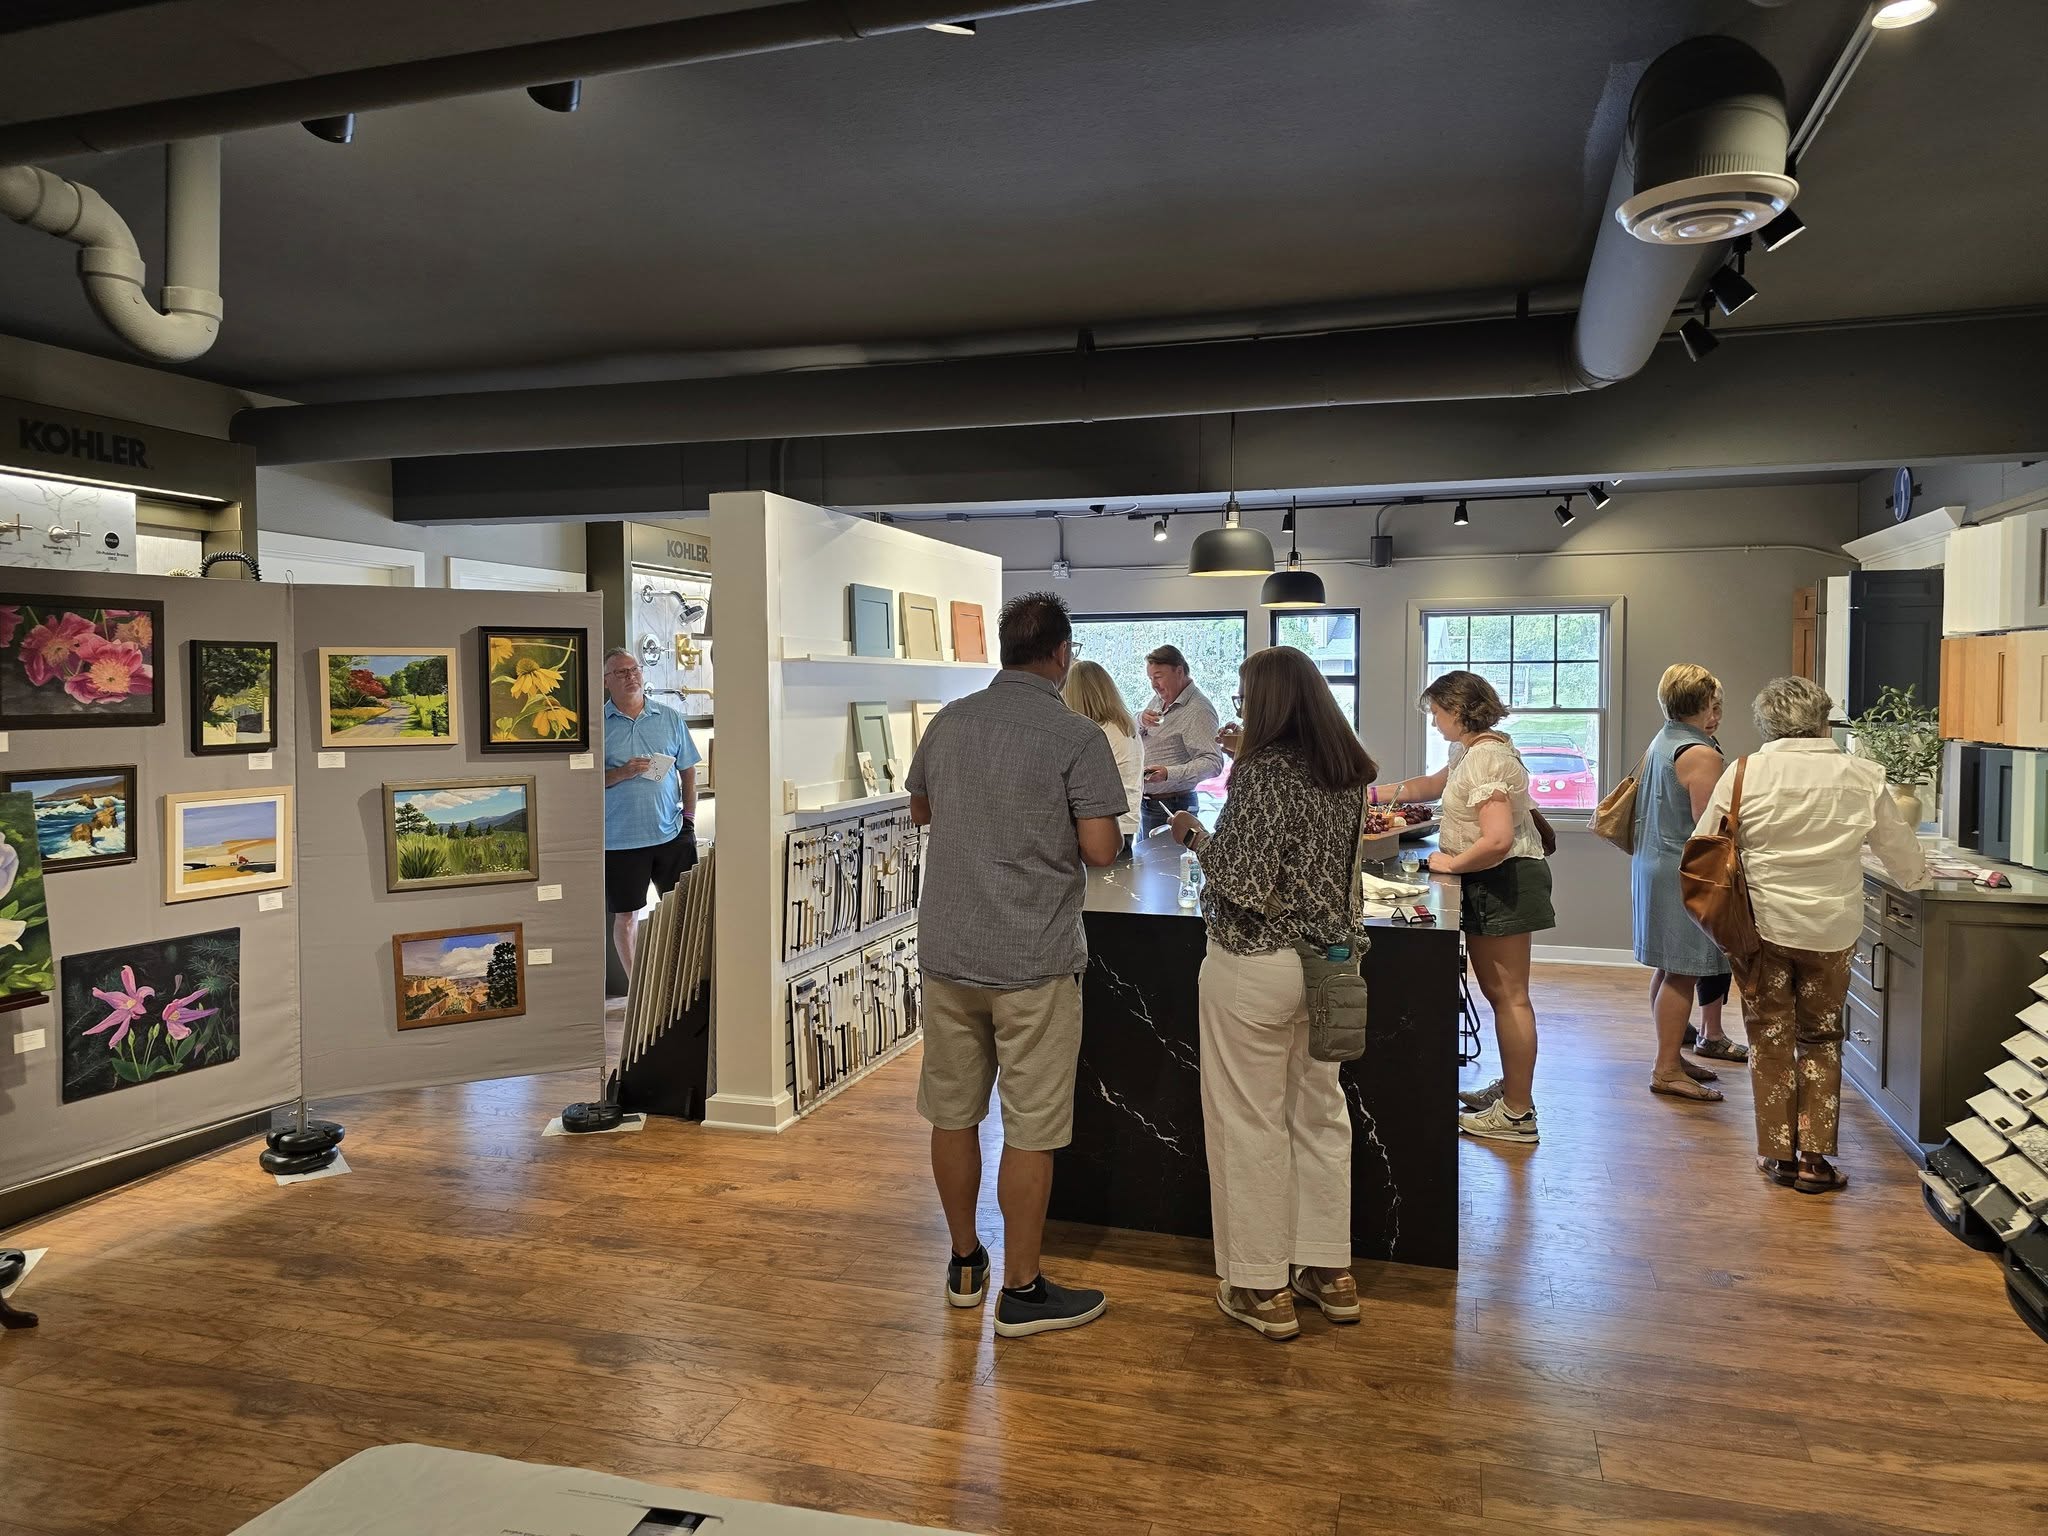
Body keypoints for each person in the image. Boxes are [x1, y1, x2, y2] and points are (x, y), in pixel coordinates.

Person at [907, 591, 1128, 1337]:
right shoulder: (1075, 736)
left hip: (949, 953)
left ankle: (965, 1263)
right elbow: (1102, 851)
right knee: (1030, 1124)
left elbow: (921, 811)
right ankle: (1023, 1289)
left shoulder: (949, 721)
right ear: (1061, 655)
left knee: (952, 1110)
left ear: (1005, 648)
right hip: (1032, 956)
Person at [1168, 647, 1375, 1340]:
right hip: (1330, 965)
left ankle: (1261, 1285)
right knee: (1320, 1112)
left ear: (1271, 701)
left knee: (1249, 1120)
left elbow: (1242, 878)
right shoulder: (1346, 771)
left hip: (1255, 964)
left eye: (1246, 694)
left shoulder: (1263, 772)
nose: (1241, 704)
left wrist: (1194, 833)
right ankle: (1328, 1272)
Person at [1698, 676, 1929, 1194]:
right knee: (1822, 1037)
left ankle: (1777, 1155)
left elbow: (1703, 844)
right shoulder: (1862, 774)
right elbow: (1900, 850)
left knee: (1771, 1036)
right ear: (1823, 719)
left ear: (1766, 723)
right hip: (1832, 928)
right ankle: (1815, 1160)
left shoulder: (1743, 774)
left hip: (1761, 928)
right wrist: (1920, 880)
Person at [1384, 671, 1554, 1144]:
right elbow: (1432, 785)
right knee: (1504, 996)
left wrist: (1450, 862)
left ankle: (1518, 1114)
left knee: (1509, 996)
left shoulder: (1486, 761)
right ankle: (1513, 1089)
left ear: (1458, 710)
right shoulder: (1471, 752)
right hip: (1495, 881)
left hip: (1504, 881)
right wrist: (1372, 794)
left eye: (1438, 713)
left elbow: (1498, 840)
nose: (1436, 723)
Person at [1631, 663, 1744, 1105]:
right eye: (1714, 704)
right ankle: (1666, 1069)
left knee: (1667, 966)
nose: (1718, 713)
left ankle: (1672, 1059)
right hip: (1684, 872)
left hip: (1655, 863)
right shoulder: (1702, 753)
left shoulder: (1664, 739)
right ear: (1701, 704)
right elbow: (1709, 826)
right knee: (1682, 970)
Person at [602, 647, 699, 978]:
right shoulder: (595, 727)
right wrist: (620, 773)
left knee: (685, 912)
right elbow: (582, 785)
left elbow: (688, 772)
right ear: (605, 682)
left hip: (671, 833)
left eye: (634, 669)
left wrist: (688, 820)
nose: (631, 676)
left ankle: (683, 982)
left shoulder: (669, 717)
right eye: (620, 672)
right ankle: (636, 989)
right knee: (626, 916)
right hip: (618, 840)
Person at [1137, 645, 1224, 835]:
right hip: (1150, 803)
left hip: (1174, 805)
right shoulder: (1160, 699)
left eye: (1158, 677)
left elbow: (1213, 763)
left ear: (1179, 671)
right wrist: (1140, 720)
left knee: (1171, 865)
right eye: (1150, 678)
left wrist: (1169, 773)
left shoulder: (1199, 710)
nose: (1154, 684)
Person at [1062, 659, 1143, 854]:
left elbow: (1082, 788)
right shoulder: (1125, 728)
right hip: (1127, 824)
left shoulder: (1097, 735)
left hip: (1105, 829)